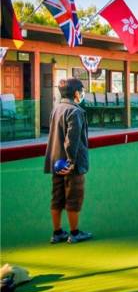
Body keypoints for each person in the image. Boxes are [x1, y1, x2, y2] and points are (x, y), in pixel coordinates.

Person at [44, 78, 92, 244]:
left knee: (57, 197)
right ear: (76, 93)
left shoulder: (56, 109)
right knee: (74, 197)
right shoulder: (75, 111)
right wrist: (71, 162)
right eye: (82, 90)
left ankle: (57, 233)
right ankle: (75, 233)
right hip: (72, 164)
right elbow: (71, 140)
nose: (83, 93)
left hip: (56, 162)